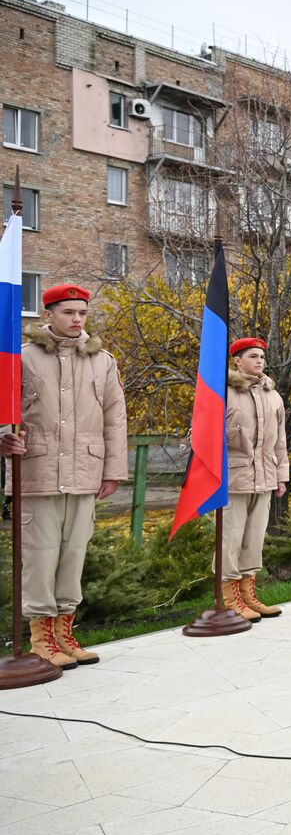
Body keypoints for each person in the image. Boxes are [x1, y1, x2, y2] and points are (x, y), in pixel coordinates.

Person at [0, 285, 127, 668]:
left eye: (82, 313)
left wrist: (113, 471)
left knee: (73, 554)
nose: (76, 319)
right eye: (68, 312)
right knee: (40, 555)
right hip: (37, 471)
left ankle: (64, 632)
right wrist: (4, 436)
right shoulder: (21, 358)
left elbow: (114, 419)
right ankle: (40, 638)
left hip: (85, 471)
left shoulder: (103, 361)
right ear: (49, 314)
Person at [220, 338, 289, 622]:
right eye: (252, 356)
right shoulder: (223, 392)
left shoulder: (273, 396)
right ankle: (228, 598)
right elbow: (201, 433)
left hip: (265, 477)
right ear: (237, 360)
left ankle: (248, 595)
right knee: (230, 540)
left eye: (262, 356)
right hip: (233, 478)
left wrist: (281, 477)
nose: (259, 361)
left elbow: (280, 441)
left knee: (253, 540)